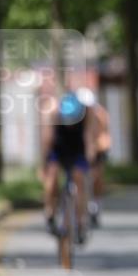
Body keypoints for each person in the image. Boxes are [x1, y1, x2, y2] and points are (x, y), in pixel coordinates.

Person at [41, 91, 93, 241]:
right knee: (52, 180)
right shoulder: (53, 113)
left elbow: (89, 138)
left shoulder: (87, 114)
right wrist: (44, 165)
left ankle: (80, 221)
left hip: (77, 149)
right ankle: (50, 213)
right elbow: (47, 140)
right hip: (59, 149)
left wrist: (90, 160)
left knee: (79, 180)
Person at [76, 87, 110, 227]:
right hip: (78, 147)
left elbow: (102, 134)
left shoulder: (100, 114)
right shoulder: (72, 114)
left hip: (97, 147)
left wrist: (96, 149)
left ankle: (95, 205)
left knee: (97, 177)